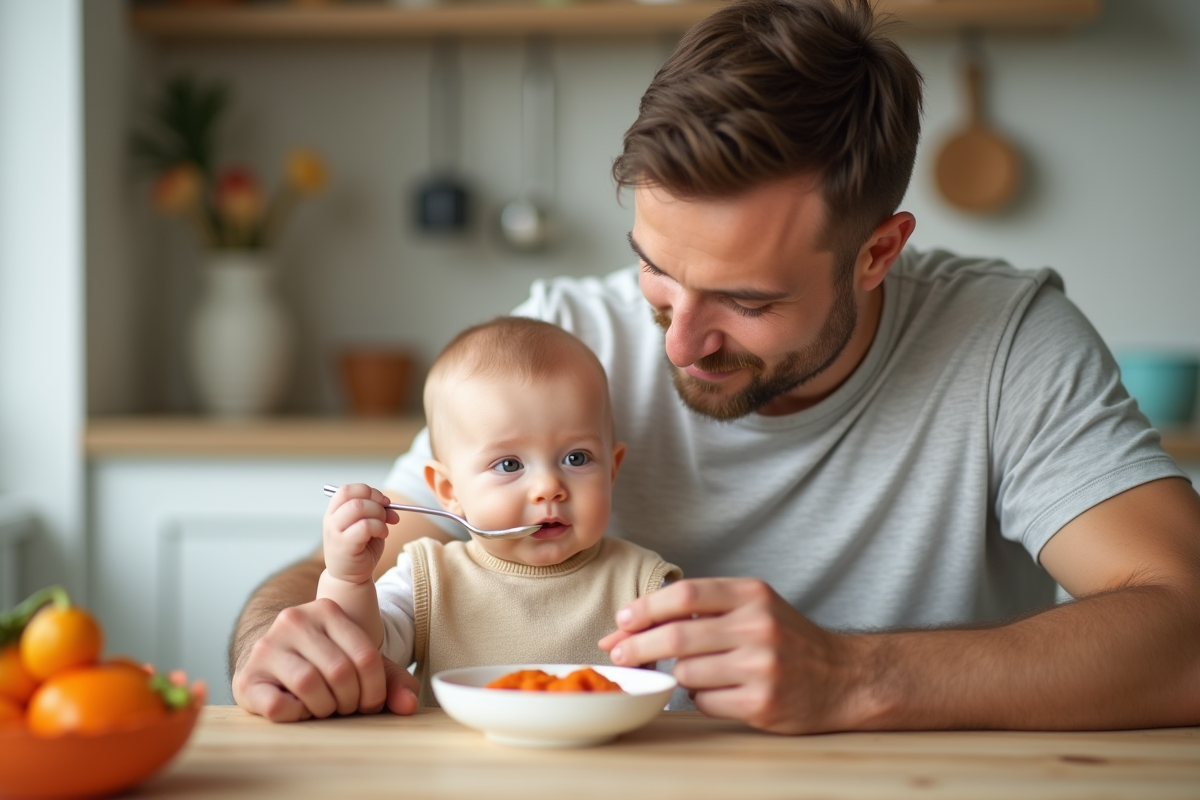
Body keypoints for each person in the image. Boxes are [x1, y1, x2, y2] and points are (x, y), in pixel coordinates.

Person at [230, 0, 1200, 731]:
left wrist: (857, 675)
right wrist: (284, 637)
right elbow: (367, 572)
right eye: (656, 266)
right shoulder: (559, 340)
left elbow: (1186, 624)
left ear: (876, 254)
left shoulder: (1003, 338)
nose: (679, 340)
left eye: (747, 299)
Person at [315, 316, 680, 707]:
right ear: (449, 491)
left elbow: (692, 692)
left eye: (576, 457)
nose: (547, 488)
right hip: (459, 767)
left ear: (612, 469)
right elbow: (360, 652)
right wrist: (349, 579)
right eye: (509, 465)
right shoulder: (427, 579)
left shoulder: (644, 584)